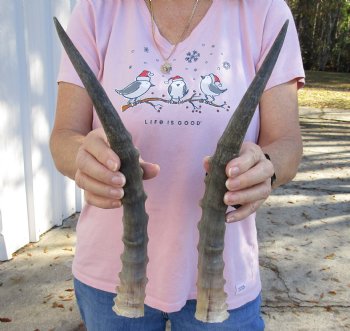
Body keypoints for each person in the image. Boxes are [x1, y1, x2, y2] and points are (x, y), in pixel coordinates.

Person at [50, 0, 305, 330]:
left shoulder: (263, 10)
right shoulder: (98, 9)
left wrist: (265, 168)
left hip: (223, 281)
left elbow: (288, 144)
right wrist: (83, 158)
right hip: (111, 280)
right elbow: (64, 138)